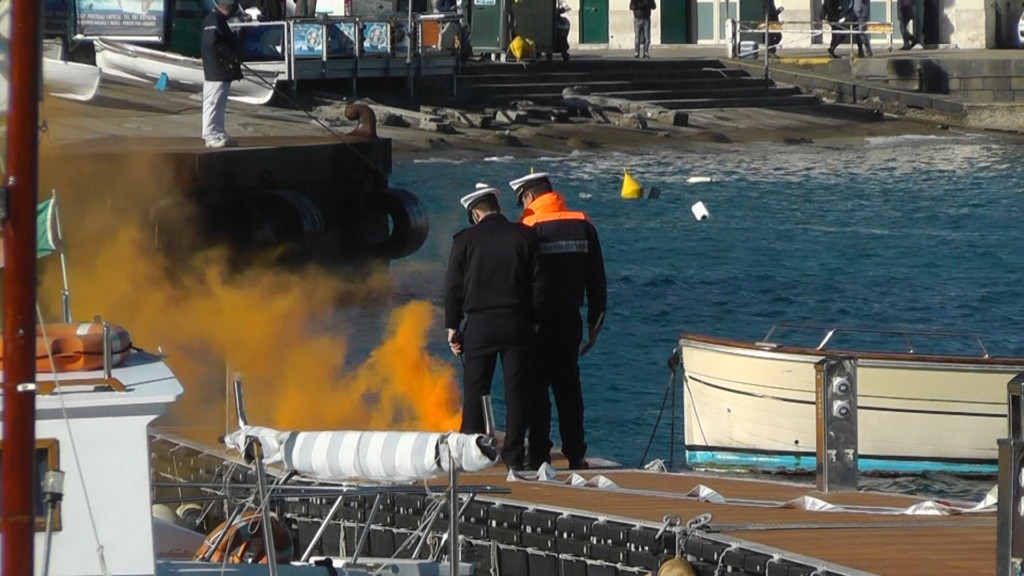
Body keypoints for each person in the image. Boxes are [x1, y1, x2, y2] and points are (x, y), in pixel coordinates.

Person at [444, 185, 546, 471]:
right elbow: (540, 285)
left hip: (480, 324)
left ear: (475, 213)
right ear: (497, 207)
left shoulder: (464, 240)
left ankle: (470, 455)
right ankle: (514, 457)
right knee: (517, 393)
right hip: (517, 322)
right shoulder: (525, 236)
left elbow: (453, 287)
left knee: (476, 390)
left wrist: (452, 326)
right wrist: (534, 320)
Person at [510, 172, 607, 471]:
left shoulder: (527, 227)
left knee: (536, 391)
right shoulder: (583, 223)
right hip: (570, 320)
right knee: (569, 389)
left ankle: (539, 455)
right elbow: (597, 279)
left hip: (536, 322)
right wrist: (595, 323)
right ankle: (576, 453)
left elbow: (517, 279)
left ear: (529, 197)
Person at [201, 0, 243, 148]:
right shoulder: (214, 19)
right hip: (216, 70)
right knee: (212, 102)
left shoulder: (219, 19)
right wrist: (229, 54)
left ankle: (219, 131)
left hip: (223, 71)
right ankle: (210, 134)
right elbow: (211, 41)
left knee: (219, 102)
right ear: (227, 8)